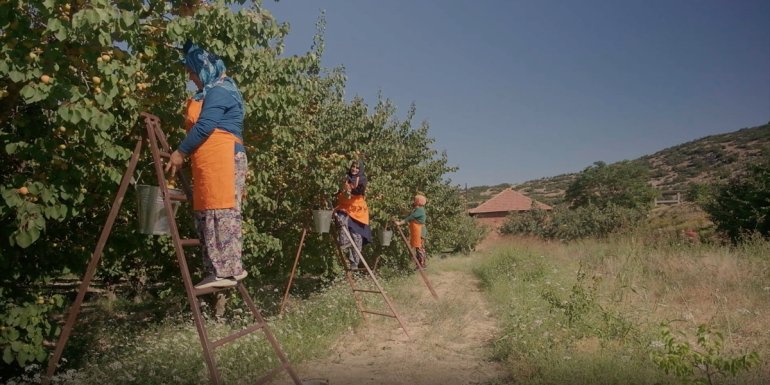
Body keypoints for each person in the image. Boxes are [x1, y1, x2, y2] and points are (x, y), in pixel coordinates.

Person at [165, 41, 248, 289]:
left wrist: (180, 152)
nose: (191, 78)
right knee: (209, 212)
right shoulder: (209, 91)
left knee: (222, 211)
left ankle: (230, 269)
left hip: (223, 157)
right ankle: (217, 270)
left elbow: (205, 125)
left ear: (203, 69)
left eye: (192, 72)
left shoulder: (221, 90)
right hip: (210, 161)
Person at [334, 157, 372, 270]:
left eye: (357, 167)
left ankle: (354, 261)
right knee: (341, 219)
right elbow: (336, 190)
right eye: (353, 167)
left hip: (357, 210)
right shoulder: (344, 177)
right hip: (345, 207)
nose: (354, 169)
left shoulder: (362, 179)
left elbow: (358, 191)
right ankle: (344, 242)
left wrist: (348, 190)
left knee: (357, 236)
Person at [396, 194, 428, 269]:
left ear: (418, 202)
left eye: (415, 200)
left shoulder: (420, 210)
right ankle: (419, 264)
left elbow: (410, 217)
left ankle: (422, 264)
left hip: (420, 231)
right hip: (417, 231)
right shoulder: (417, 209)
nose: (413, 201)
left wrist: (400, 223)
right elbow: (410, 214)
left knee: (420, 248)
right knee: (418, 247)